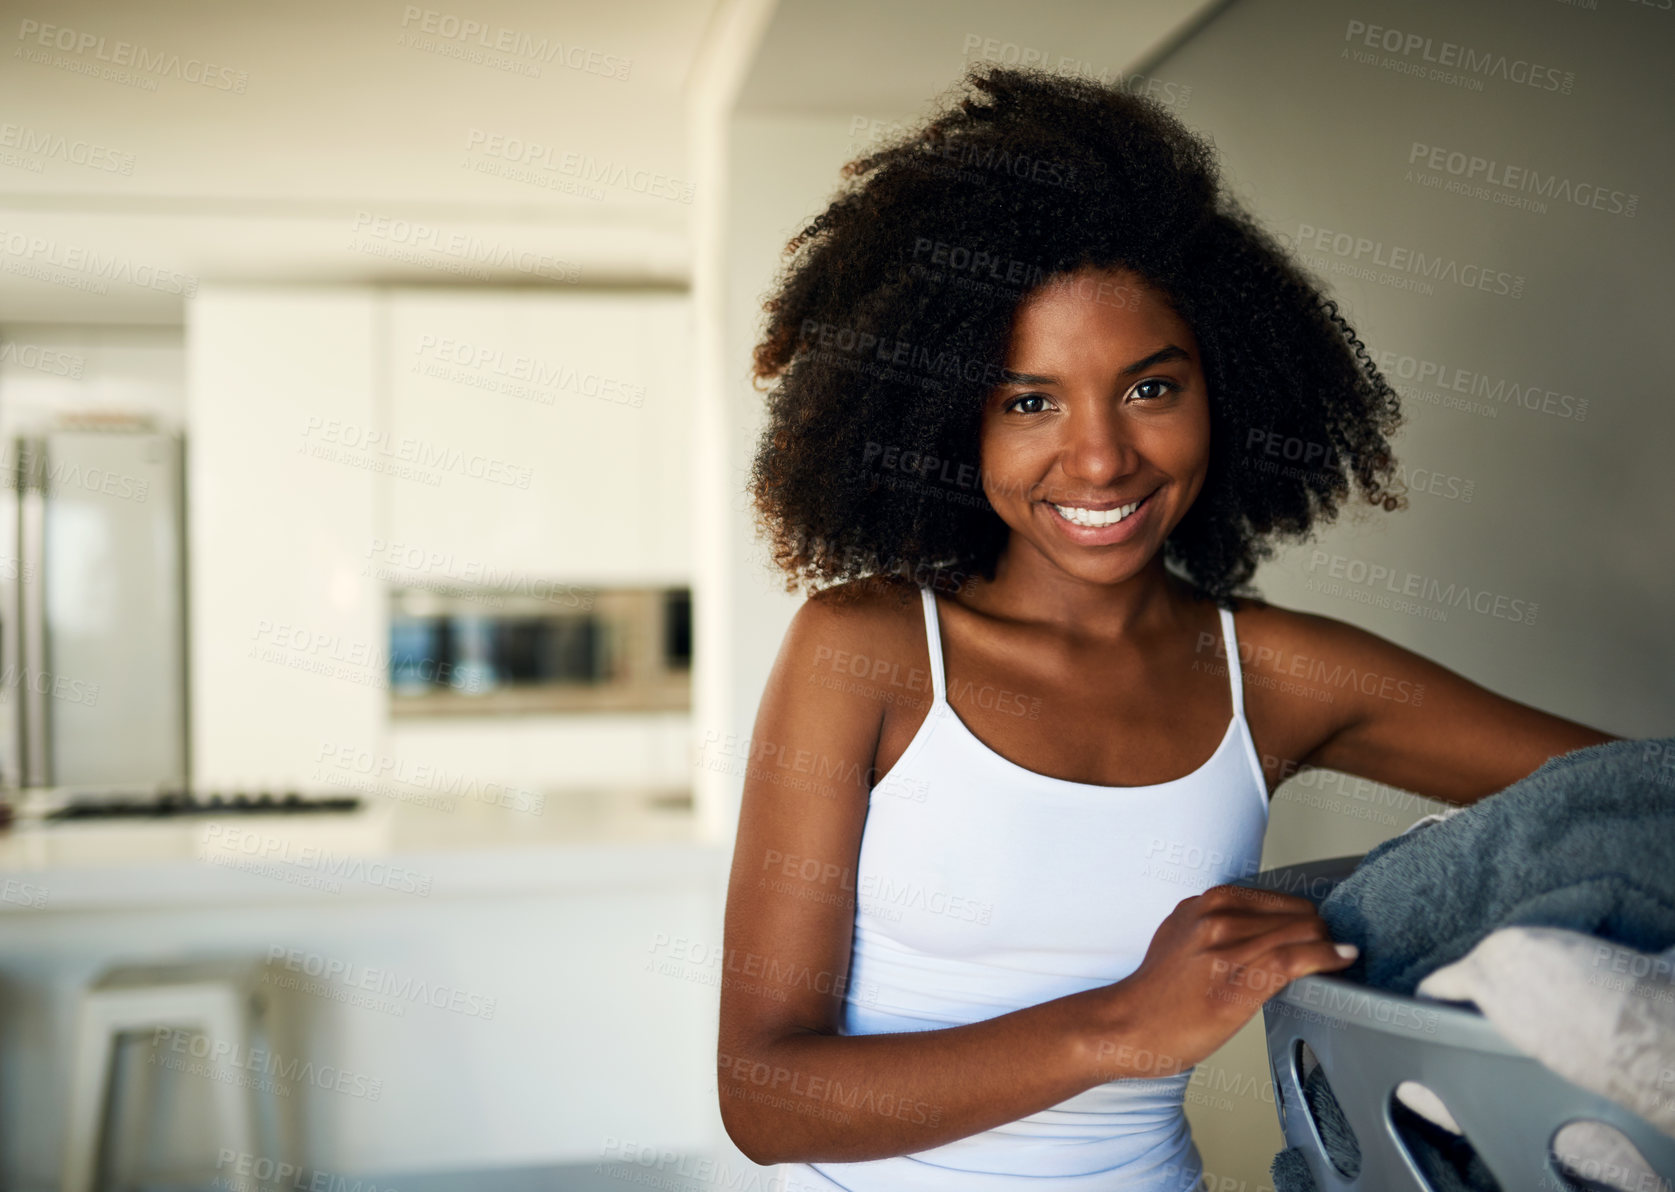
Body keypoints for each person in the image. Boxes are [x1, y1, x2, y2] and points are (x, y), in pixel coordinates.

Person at [715, 64, 1616, 1191]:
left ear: (1224, 391)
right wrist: (1124, 1024)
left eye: (1150, 388)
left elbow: (1627, 800)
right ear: (951, 418)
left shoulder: (1275, 675)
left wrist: (1377, 912)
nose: (1100, 458)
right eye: (1029, 401)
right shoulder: (868, 651)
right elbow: (764, 1095)